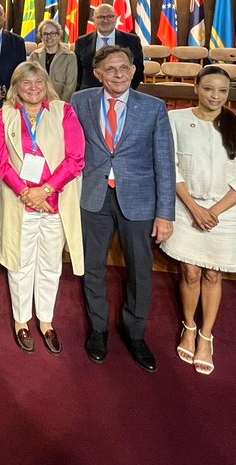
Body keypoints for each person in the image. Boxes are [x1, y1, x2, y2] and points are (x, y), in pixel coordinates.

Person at [71, 45, 176, 372]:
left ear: (134, 71)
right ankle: (98, 331)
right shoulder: (80, 101)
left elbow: (165, 162)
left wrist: (165, 212)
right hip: (93, 197)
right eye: (110, 69)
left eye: (124, 68)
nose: (118, 74)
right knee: (93, 268)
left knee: (140, 271)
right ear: (99, 73)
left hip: (140, 201)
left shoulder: (154, 107)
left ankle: (135, 333)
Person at [160, 66, 236, 376]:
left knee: (213, 275)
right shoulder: (176, 120)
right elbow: (170, 166)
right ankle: (189, 326)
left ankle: (206, 335)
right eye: (209, 89)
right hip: (186, 207)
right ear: (196, 89)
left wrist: (213, 212)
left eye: (222, 91)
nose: (215, 96)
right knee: (190, 271)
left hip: (224, 213)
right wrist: (194, 208)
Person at [0, 61, 85, 355]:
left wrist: (45, 190)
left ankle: (45, 320)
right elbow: (2, 163)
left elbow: (76, 158)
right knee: (19, 264)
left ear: (46, 85)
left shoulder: (63, 111)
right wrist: (26, 193)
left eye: (38, 83)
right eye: (26, 84)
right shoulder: (5, 115)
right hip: (20, 204)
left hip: (54, 204)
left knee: (50, 265)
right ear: (16, 87)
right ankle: (21, 321)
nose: (33, 89)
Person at [75, 3, 144, 90]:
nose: (105, 20)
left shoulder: (132, 40)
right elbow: (77, 72)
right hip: (89, 93)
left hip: (121, 92)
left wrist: (127, 89)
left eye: (110, 16)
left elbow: (138, 70)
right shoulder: (82, 42)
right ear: (93, 20)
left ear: (116, 18)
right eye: (100, 17)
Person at [28, 18, 78, 102]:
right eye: (45, 34)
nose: (49, 37)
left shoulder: (69, 56)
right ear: (41, 37)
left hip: (60, 103)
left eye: (53, 33)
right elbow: (28, 80)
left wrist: (60, 105)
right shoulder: (34, 56)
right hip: (37, 103)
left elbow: (70, 87)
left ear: (59, 35)